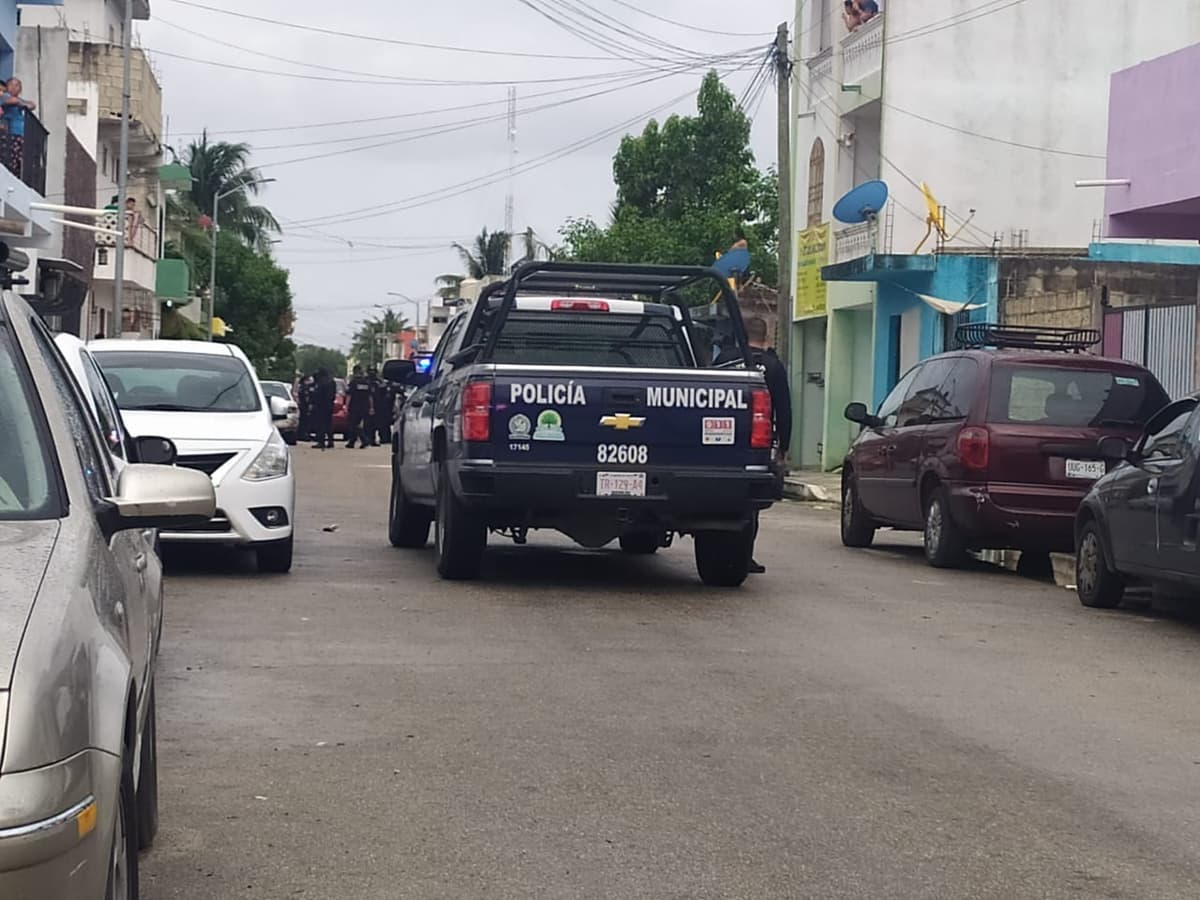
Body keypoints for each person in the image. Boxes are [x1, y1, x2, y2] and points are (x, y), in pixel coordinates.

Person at [743, 316, 792, 574]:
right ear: (766, 338)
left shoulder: (725, 361)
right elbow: (783, 409)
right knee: (751, 502)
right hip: (760, 443)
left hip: (719, 442)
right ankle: (744, 553)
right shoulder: (773, 366)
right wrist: (784, 446)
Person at [0, 78, 35, 177]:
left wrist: (22, 103)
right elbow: (12, 101)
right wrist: (23, 104)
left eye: (17, 85)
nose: (14, 87)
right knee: (10, 159)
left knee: (19, 160)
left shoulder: (19, 100)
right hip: (10, 134)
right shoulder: (4, 96)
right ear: (7, 86)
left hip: (20, 134)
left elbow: (32, 105)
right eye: (11, 84)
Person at [344, 364, 373, 448]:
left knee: (354, 424)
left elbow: (349, 395)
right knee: (359, 425)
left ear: (354, 372)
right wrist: (371, 407)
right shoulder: (366, 382)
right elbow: (370, 396)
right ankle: (351, 442)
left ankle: (364, 439)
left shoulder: (353, 382)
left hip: (355, 407)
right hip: (365, 406)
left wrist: (346, 406)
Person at [310, 369, 336, 450]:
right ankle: (330, 441)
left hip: (321, 406)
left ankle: (321, 442)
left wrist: (313, 403)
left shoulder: (321, 382)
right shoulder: (332, 382)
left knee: (320, 425)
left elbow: (317, 394)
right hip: (329, 405)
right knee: (329, 424)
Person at [371, 370, 396, 447]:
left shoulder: (385, 384)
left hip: (383, 407)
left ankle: (384, 438)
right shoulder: (381, 384)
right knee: (382, 424)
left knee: (383, 424)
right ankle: (383, 438)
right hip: (381, 407)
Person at [297, 373, 316, 442]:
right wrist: (309, 404)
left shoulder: (302, 387)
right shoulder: (305, 388)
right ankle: (303, 434)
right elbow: (306, 398)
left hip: (302, 406)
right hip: (305, 406)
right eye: (309, 380)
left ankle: (304, 434)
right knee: (305, 421)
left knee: (303, 421)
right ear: (306, 380)